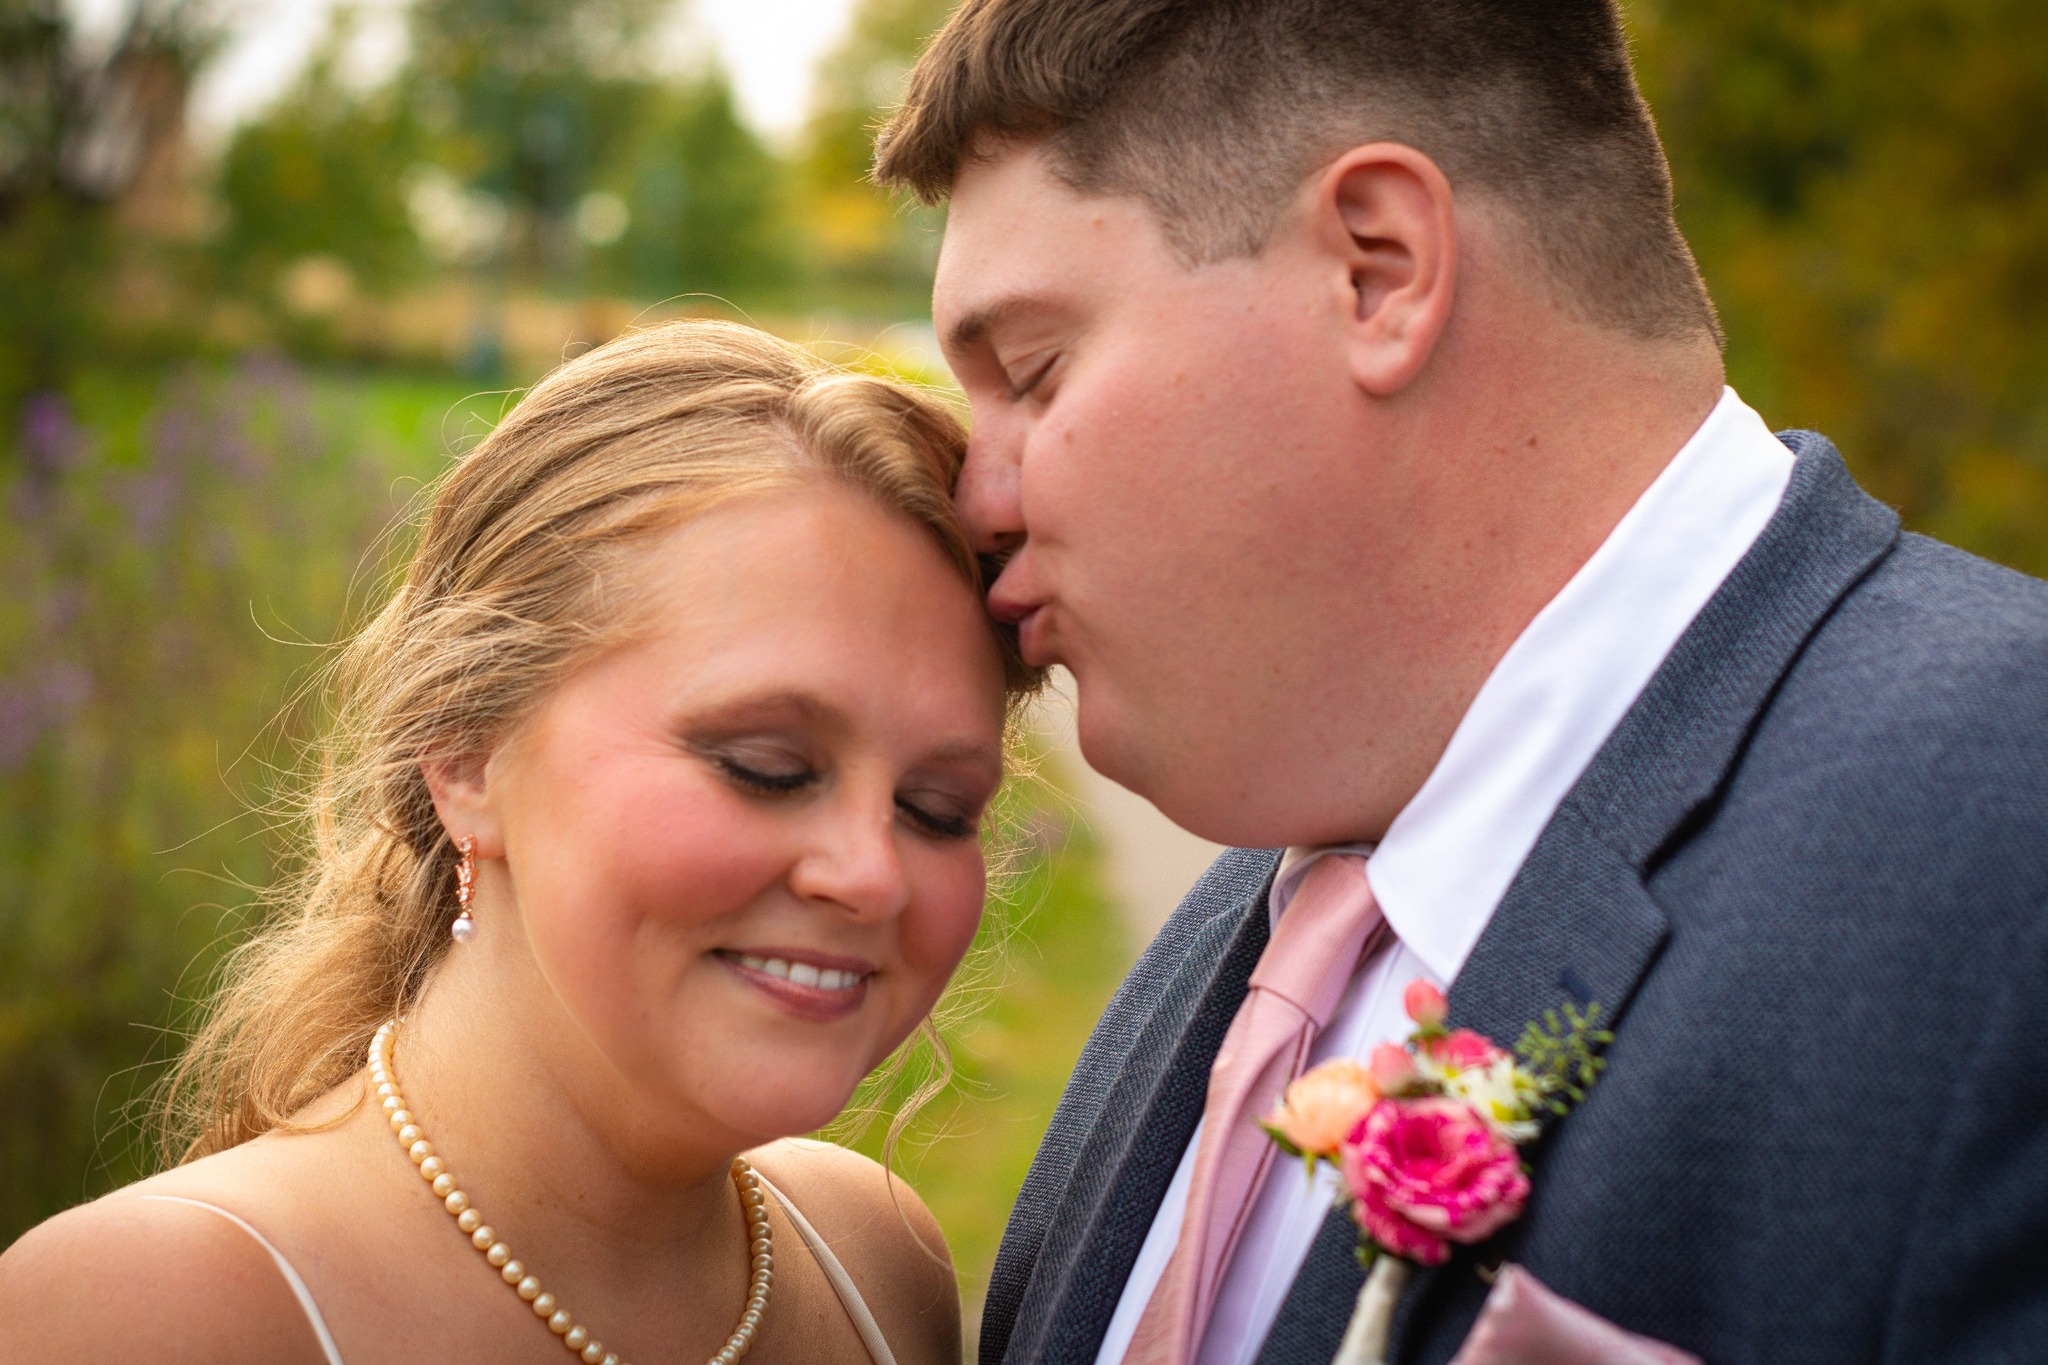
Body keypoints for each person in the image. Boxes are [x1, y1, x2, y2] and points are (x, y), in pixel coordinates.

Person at [873, 1, 2048, 1363]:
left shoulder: (2007, 857)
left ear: (1376, 269)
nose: (979, 501)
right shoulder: (1248, 945)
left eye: (1032, 372)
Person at [0, 321, 1041, 1364]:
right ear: (465, 751)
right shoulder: (155, 1313)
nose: (870, 874)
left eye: (937, 809)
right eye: (766, 766)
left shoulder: (874, 1261)